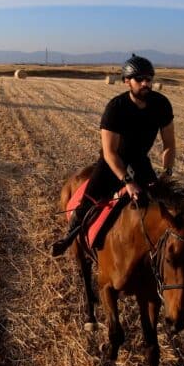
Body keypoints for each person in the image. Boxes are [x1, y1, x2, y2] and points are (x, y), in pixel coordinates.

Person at [51, 54, 176, 256]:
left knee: (160, 205)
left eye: (149, 79)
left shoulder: (161, 105)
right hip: (112, 163)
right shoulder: (116, 108)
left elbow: (169, 145)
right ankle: (69, 239)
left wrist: (167, 173)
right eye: (140, 79)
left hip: (141, 161)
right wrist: (127, 181)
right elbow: (109, 153)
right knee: (87, 204)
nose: (146, 83)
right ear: (127, 81)